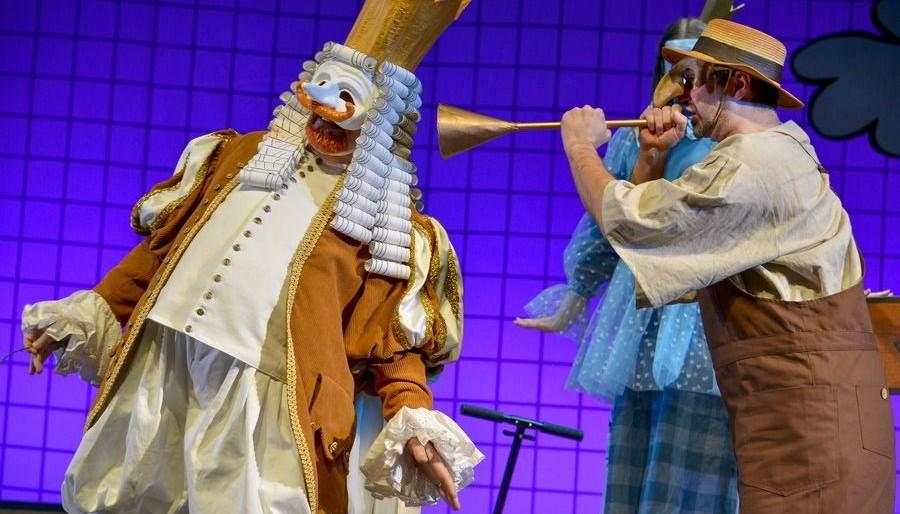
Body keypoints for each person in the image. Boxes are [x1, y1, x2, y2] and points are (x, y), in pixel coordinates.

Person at [19, 1, 483, 513]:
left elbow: (390, 346)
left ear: (381, 120)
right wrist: (90, 312)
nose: (324, 111)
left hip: (266, 401)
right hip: (167, 365)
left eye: (347, 99)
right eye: (321, 89)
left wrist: (413, 419)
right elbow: (159, 255)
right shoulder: (239, 154)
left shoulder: (389, 221)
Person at [558, 18, 895, 514]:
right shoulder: (778, 150)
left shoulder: (754, 166)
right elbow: (662, 246)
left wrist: (580, 146)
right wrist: (651, 158)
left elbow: (627, 221)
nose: (683, 95)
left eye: (693, 81)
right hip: (809, 426)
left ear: (736, 83)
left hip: (813, 437)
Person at [516, 17, 738, 514]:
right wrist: (576, 295)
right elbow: (608, 223)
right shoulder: (637, 136)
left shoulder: (733, 144)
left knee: (693, 454)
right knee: (636, 449)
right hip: (642, 316)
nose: (687, 85)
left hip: (704, 319)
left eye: (700, 72)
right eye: (677, 69)